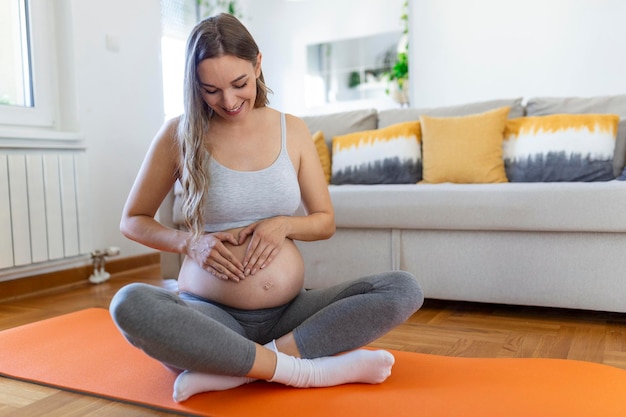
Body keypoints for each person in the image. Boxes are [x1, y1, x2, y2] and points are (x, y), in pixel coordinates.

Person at [109, 13, 423, 403]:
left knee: (402, 288)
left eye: (239, 84)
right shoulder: (178, 133)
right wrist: (190, 243)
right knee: (129, 303)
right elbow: (132, 220)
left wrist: (284, 225)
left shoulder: (292, 129)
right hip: (210, 316)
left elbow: (324, 222)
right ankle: (305, 370)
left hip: (290, 313)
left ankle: (239, 370)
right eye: (210, 90)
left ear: (258, 63)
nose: (228, 101)